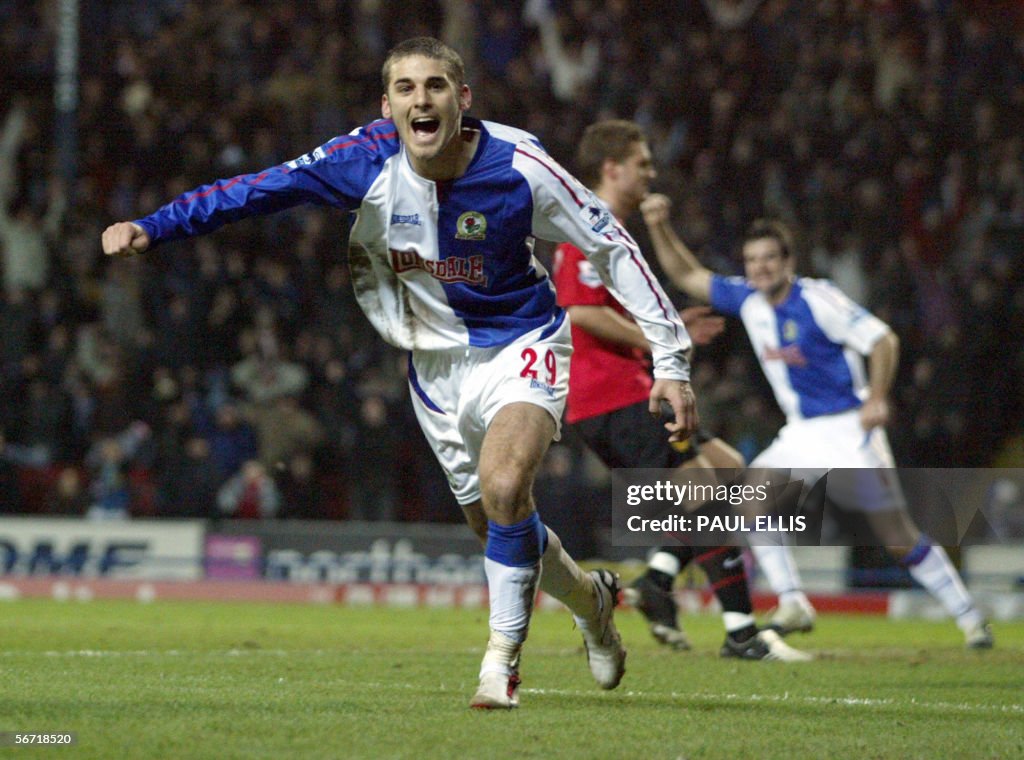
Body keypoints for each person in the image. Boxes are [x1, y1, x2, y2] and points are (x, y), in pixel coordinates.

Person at [101, 37, 700, 708]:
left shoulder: (520, 165)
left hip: (521, 341)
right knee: (501, 521)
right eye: (408, 89)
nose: (423, 99)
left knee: (507, 485)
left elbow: (612, 246)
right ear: (388, 107)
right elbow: (258, 190)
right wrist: (155, 226)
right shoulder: (363, 159)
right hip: (435, 367)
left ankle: (500, 663)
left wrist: (671, 360)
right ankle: (591, 603)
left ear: (462, 98)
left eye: (437, 86)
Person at [643, 210, 994, 649]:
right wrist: (657, 223)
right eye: (753, 260)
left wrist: (877, 397)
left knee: (895, 535)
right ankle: (793, 602)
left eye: (770, 258)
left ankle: (970, 619)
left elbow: (883, 339)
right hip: (802, 433)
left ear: (788, 261)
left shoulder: (817, 298)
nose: (761, 267)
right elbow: (689, 274)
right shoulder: (748, 299)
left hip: (849, 430)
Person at [553, 120, 809, 661]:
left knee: (730, 474)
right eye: (642, 163)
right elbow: (578, 310)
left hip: (634, 389)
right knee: (707, 496)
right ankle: (741, 632)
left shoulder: (612, 229)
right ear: (611, 168)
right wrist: (658, 337)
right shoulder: (587, 227)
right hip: (609, 396)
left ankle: (657, 579)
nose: (651, 172)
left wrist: (670, 331)